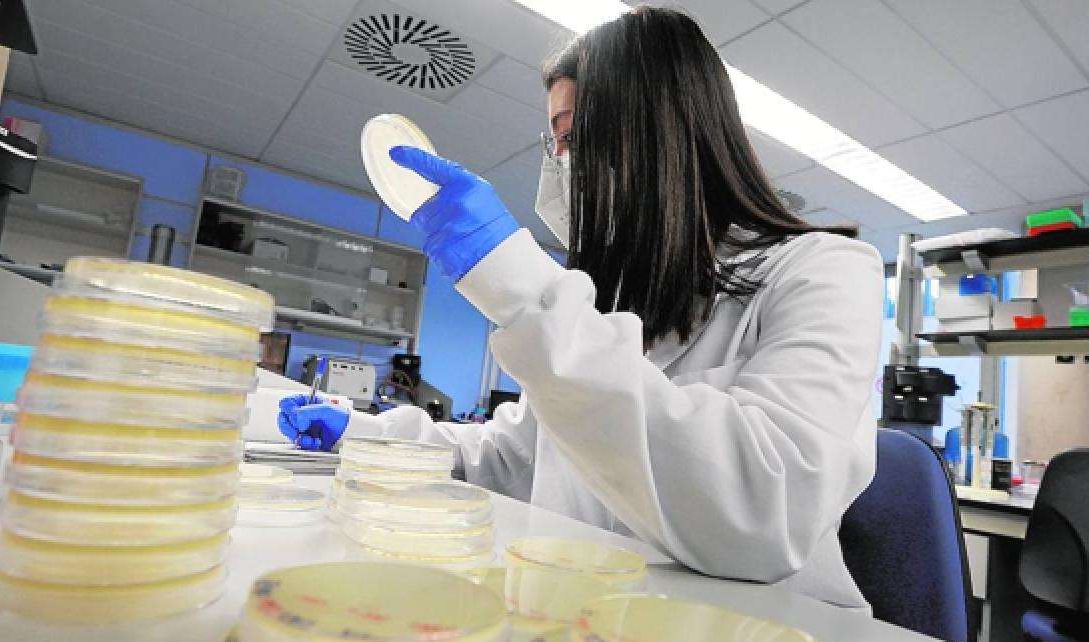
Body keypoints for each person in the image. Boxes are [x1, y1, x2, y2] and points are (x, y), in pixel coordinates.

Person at [279, 7, 883, 610]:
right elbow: (504, 461)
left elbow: (765, 513)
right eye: (554, 140)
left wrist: (519, 288)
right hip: (586, 627)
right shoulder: (619, 302)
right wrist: (363, 435)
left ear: (659, 130)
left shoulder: (824, 271)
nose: (559, 163)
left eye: (570, 136)